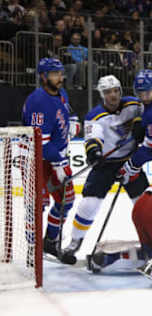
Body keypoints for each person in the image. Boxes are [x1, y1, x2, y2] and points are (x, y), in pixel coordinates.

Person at [61, 75, 149, 263]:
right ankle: (75, 241)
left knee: (144, 205)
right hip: (106, 164)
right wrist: (94, 153)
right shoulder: (95, 116)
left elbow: (145, 114)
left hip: (130, 162)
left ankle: (151, 241)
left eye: (116, 90)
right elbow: (93, 139)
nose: (113, 95)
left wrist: (140, 125)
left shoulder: (133, 105)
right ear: (102, 94)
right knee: (89, 204)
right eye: (108, 92)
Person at [22, 58, 79, 259]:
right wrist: (60, 163)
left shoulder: (60, 93)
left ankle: (50, 241)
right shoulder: (38, 102)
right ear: (43, 76)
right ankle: (32, 248)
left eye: (60, 73)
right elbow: (40, 142)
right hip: (37, 160)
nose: (59, 77)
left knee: (67, 200)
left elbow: (66, 110)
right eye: (54, 74)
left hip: (56, 158)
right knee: (38, 204)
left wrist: (73, 121)